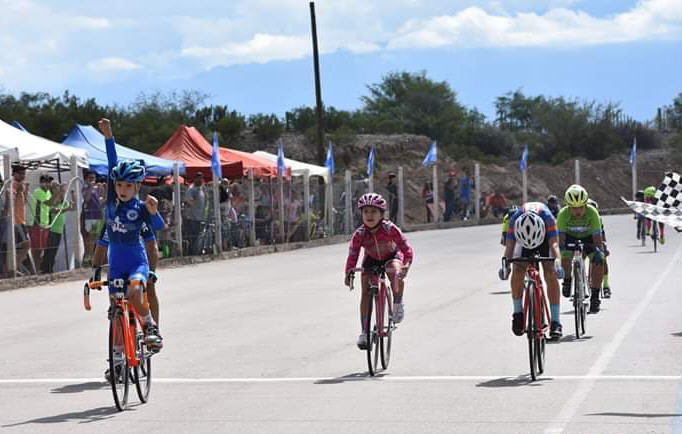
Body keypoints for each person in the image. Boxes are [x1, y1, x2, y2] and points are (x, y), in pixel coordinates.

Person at [91, 118, 163, 353]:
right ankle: (118, 355)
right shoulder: (112, 203)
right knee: (115, 309)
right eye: (119, 185)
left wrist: (154, 212)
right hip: (116, 265)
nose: (122, 189)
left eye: (128, 186)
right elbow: (112, 161)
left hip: (136, 262)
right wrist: (108, 136)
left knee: (134, 293)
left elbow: (158, 226)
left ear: (137, 187)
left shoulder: (141, 207)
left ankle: (150, 326)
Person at [344, 193, 414, 349]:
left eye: (374, 212)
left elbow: (405, 247)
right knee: (365, 291)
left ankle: (397, 302)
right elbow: (353, 255)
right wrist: (349, 272)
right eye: (365, 212)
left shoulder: (390, 228)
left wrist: (407, 264)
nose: (369, 215)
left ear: (381, 214)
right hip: (371, 258)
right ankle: (364, 332)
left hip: (391, 256)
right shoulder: (359, 234)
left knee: (394, 272)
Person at [500, 203, 564, 339]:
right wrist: (505, 267)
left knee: (550, 272)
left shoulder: (548, 218)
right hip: (522, 241)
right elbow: (509, 247)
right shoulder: (514, 221)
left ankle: (556, 321)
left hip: (544, 240)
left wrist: (558, 265)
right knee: (518, 270)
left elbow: (554, 245)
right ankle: (518, 313)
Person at [557, 184, 605, 314]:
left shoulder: (592, 213)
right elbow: (561, 239)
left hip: (589, 238)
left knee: (598, 260)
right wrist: (562, 251)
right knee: (565, 256)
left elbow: (597, 238)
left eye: (580, 207)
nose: (577, 211)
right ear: (568, 206)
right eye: (574, 208)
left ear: (585, 205)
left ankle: (595, 296)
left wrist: (599, 252)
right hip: (569, 238)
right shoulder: (562, 215)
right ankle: (567, 280)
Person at [41, 182, 75, 274]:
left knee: (54, 251)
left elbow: (73, 208)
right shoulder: (52, 200)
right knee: (50, 251)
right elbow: (55, 211)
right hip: (52, 230)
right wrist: (67, 208)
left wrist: (73, 195)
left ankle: (49, 269)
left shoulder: (63, 202)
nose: (59, 190)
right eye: (56, 188)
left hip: (59, 230)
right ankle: (46, 269)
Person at [6, 164, 31, 276]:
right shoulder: (12, 184)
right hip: (15, 221)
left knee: (22, 246)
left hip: (21, 220)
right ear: (14, 174)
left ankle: (13, 267)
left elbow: (23, 203)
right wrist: (19, 191)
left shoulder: (20, 186)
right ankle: (12, 268)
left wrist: (25, 191)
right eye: (20, 173)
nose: (23, 176)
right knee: (25, 245)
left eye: (24, 174)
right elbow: (10, 202)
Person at [28, 173, 53, 270]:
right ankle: (35, 270)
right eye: (46, 181)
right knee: (37, 250)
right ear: (41, 182)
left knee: (42, 249)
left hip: (45, 224)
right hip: (37, 224)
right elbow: (49, 203)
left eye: (49, 182)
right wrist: (59, 193)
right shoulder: (38, 191)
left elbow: (51, 205)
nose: (48, 184)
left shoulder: (48, 193)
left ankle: (37, 269)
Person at [587, 199, 611, 298]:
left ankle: (606, 285)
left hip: (595, 239)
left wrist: (604, 247)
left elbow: (602, 234)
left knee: (603, 258)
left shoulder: (598, 219)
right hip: (584, 239)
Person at [82, 170, 104, 263]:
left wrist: (102, 190)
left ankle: (91, 257)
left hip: (97, 216)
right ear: (86, 179)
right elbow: (86, 199)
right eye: (90, 178)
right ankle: (87, 257)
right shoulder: (85, 188)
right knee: (90, 238)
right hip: (90, 217)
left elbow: (101, 201)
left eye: (94, 178)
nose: (92, 180)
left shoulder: (96, 189)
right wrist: (91, 186)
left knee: (95, 238)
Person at [183, 172, 206, 255]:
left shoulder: (201, 189)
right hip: (192, 218)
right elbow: (187, 200)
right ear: (195, 179)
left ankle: (196, 252)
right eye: (199, 178)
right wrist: (194, 204)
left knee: (198, 236)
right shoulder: (191, 189)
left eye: (201, 178)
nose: (201, 180)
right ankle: (191, 253)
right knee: (192, 236)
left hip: (200, 217)